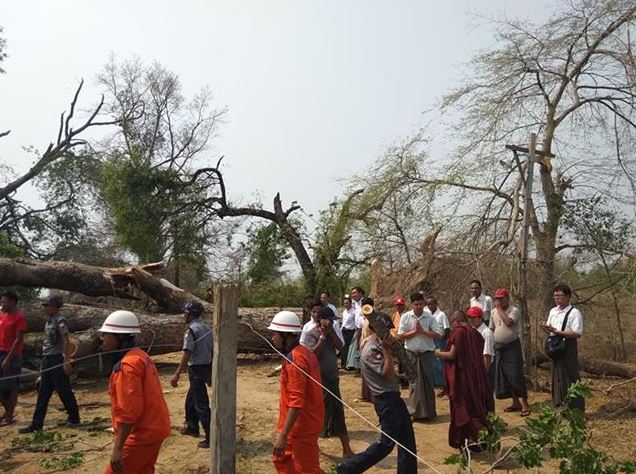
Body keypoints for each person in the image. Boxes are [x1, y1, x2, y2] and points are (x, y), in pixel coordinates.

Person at [336, 312, 417, 474]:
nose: (389, 333)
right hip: (385, 400)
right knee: (386, 443)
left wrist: (399, 376)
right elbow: (387, 373)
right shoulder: (372, 349)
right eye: (386, 329)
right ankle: (349, 468)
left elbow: (388, 374)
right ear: (376, 329)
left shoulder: (378, 345)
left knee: (407, 439)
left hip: (393, 397)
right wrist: (386, 350)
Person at [100, 310, 170, 474]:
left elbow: (129, 411)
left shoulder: (127, 366)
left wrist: (118, 448)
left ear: (120, 337)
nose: (102, 338)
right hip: (155, 428)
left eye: (105, 334)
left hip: (141, 434)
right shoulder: (140, 356)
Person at [268, 310, 324, 474]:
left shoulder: (296, 360)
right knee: (281, 459)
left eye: (275, 334)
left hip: (301, 426)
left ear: (286, 335)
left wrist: (283, 435)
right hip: (302, 422)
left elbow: (296, 401)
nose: (272, 338)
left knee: (306, 469)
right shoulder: (304, 353)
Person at [20, 296, 80, 433]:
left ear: (54, 307)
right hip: (47, 358)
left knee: (63, 390)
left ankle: (74, 417)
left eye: (47, 305)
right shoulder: (49, 321)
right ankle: (37, 423)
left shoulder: (60, 321)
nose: (44, 308)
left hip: (56, 358)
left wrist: (66, 360)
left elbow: (66, 341)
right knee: (43, 392)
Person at [301, 304, 354, 458]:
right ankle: (313, 447)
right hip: (318, 380)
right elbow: (313, 354)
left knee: (338, 412)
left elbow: (340, 346)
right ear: (321, 320)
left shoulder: (331, 332)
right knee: (319, 414)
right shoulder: (311, 334)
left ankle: (346, 449)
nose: (331, 323)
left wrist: (330, 332)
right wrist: (323, 336)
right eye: (329, 320)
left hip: (332, 378)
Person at [435, 310, 490, 450]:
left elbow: (452, 355)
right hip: (474, 377)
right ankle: (475, 441)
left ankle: (467, 440)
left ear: (457, 321)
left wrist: (437, 353)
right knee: (474, 408)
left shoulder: (459, 332)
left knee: (463, 410)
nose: (452, 326)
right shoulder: (475, 333)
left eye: (452, 323)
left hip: (462, 379)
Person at [170, 301, 213, 449]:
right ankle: (192, 426)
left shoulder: (191, 330)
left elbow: (187, 353)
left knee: (201, 404)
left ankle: (211, 437)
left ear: (190, 314)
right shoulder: (207, 328)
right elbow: (212, 351)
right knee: (191, 399)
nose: (184, 315)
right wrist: (210, 374)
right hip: (205, 367)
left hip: (196, 369)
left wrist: (177, 374)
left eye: (185, 313)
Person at [398, 292, 442, 421]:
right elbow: (401, 335)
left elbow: (438, 334)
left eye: (421, 304)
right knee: (414, 383)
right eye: (416, 304)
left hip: (426, 354)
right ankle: (414, 412)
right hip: (411, 354)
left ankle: (429, 413)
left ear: (424, 304)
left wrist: (423, 332)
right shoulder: (406, 317)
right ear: (412, 304)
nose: (418, 307)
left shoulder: (429, 317)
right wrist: (415, 332)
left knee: (428, 383)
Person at [541, 284, 584, 411]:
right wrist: (546, 328)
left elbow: (577, 333)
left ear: (568, 296)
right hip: (555, 345)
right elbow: (550, 330)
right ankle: (559, 406)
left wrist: (558, 331)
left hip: (568, 346)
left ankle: (575, 408)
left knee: (570, 375)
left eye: (560, 296)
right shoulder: (553, 311)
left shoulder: (574, 313)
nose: (557, 298)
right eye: (555, 296)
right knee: (557, 375)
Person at [490, 288, 530, 416]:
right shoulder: (493, 312)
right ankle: (515, 402)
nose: (499, 301)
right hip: (499, 347)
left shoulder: (514, 310)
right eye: (497, 299)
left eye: (501, 298)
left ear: (507, 298)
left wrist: (499, 309)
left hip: (512, 347)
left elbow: (508, 322)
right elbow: (492, 328)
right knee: (505, 376)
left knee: (516, 375)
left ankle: (525, 403)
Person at [0, 291, 27, 426]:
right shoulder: (2, 316)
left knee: (10, 386)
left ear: (12, 302)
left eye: (4, 302)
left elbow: (18, 339)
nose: (2, 304)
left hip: (13, 355)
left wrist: (8, 359)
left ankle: (9, 416)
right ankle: (7, 411)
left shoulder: (19, 317)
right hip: (1, 352)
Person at [466, 306, 496, 412]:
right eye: (469, 317)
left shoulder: (487, 333)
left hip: (485, 368)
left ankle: (490, 417)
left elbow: (487, 355)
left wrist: (484, 372)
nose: (471, 320)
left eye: (473, 317)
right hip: (475, 368)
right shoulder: (472, 331)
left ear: (480, 318)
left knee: (486, 394)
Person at [426, 296, 450, 397]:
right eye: (428, 304)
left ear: (436, 304)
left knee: (441, 364)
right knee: (434, 365)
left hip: (440, 341)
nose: (430, 306)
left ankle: (446, 386)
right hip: (431, 341)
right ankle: (439, 384)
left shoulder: (441, 315)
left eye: (432, 304)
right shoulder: (428, 315)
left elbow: (447, 329)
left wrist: (446, 343)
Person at [341, 297, 357, 369]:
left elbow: (356, 322)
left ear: (350, 303)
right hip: (344, 330)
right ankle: (343, 363)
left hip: (350, 331)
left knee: (348, 348)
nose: (345, 305)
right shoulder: (344, 312)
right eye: (344, 303)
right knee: (343, 347)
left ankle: (348, 365)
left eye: (347, 303)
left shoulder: (354, 312)